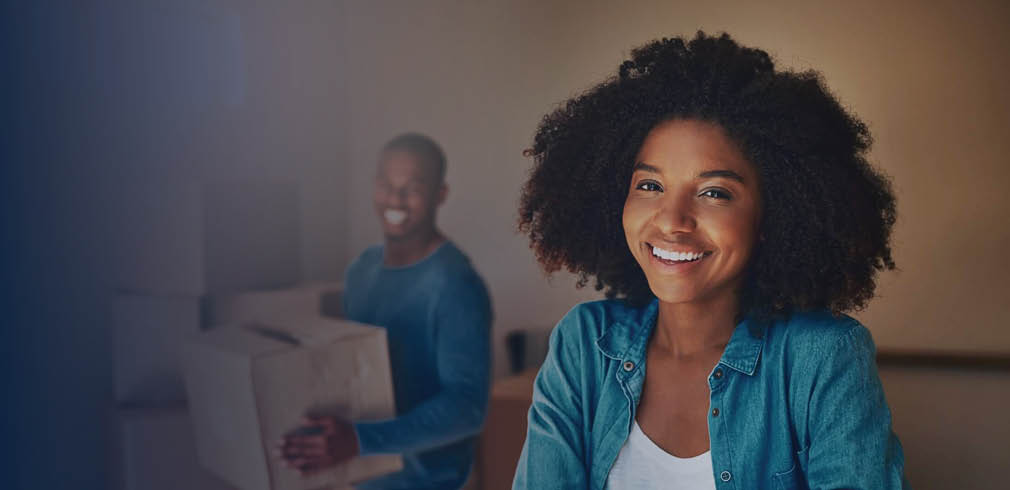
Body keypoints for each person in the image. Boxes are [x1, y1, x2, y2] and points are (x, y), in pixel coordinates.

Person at [513, 32, 908, 489]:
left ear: (770, 217)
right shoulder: (584, 344)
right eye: (649, 186)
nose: (673, 220)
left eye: (714, 193)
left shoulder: (821, 357)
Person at [277, 133, 493, 490]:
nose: (395, 199)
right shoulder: (361, 271)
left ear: (440, 194)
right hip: (362, 478)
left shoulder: (456, 285)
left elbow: (467, 408)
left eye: (412, 188)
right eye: (386, 184)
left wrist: (358, 439)